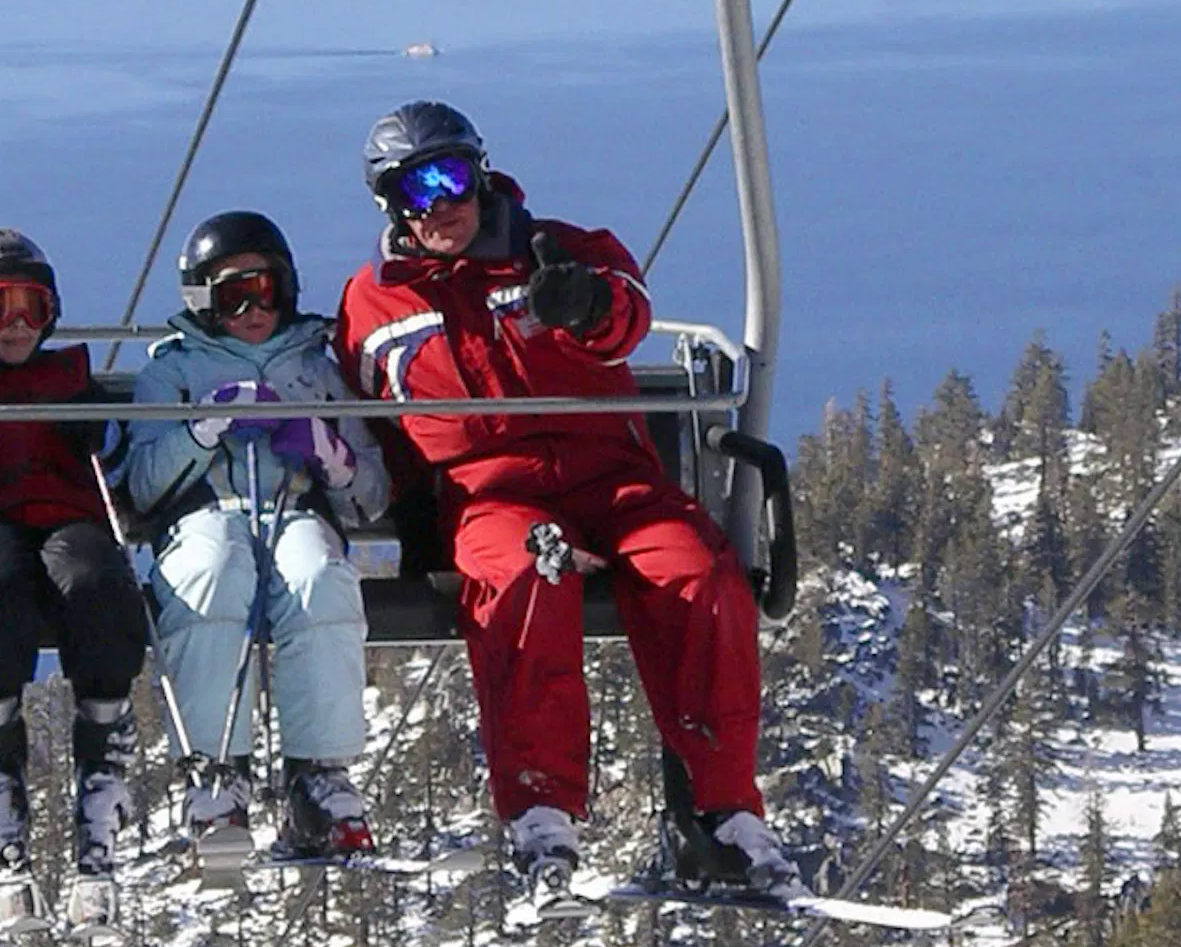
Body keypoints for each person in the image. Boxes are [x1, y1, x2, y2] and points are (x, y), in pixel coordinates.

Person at [333, 101, 796, 899]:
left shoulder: (565, 252)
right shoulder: (377, 303)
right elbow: (360, 413)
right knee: (522, 578)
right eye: (414, 189)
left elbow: (627, 319)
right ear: (390, 205)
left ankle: (720, 810)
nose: (439, 205)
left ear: (480, 171)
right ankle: (542, 816)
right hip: (494, 492)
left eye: (448, 176)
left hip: (611, 479)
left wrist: (581, 307)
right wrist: (399, 520)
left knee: (699, 575)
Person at [120, 210, 382, 861]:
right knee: (213, 573)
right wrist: (200, 431)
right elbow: (142, 487)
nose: (250, 309)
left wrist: (327, 450)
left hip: (294, 511)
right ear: (202, 301)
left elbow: (371, 495)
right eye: (231, 295)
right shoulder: (172, 372)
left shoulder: (316, 369)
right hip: (207, 516)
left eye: (263, 291)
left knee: (318, 578)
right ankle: (216, 775)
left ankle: (319, 775)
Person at [0, 228, 145, 909]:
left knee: (98, 583)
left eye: (32, 310)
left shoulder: (69, 382)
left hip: (68, 518)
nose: (16, 326)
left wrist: (100, 430)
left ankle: (103, 760)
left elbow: (122, 481)